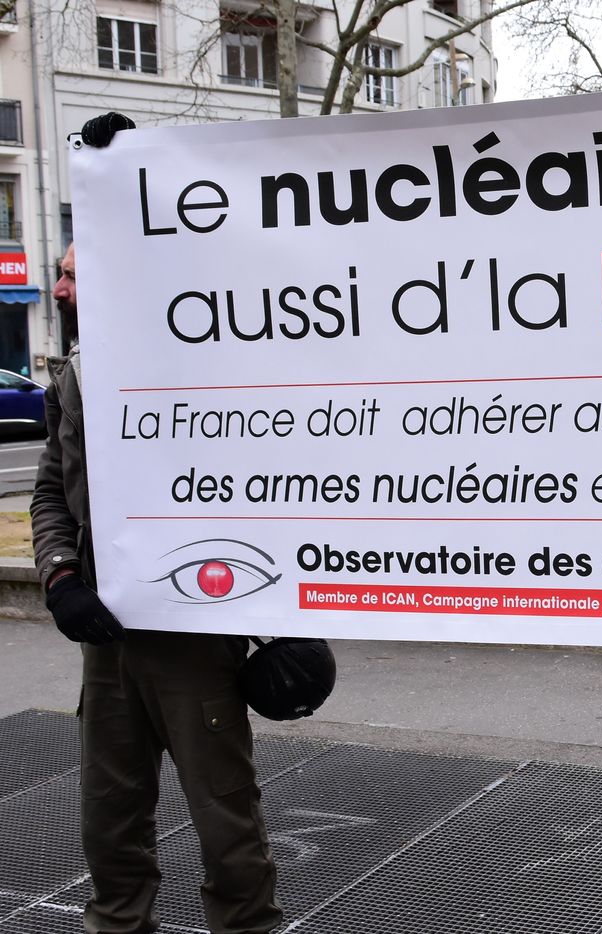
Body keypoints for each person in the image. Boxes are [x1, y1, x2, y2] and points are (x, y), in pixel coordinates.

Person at [31, 115, 282, 934]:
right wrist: (60, 578)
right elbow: (49, 491)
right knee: (110, 828)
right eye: (58, 274)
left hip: (194, 638)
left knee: (226, 826)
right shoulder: (75, 375)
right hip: (107, 643)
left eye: (71, 273)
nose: (59, 288)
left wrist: (285, 618)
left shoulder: (199, 357)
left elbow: (268, 485)